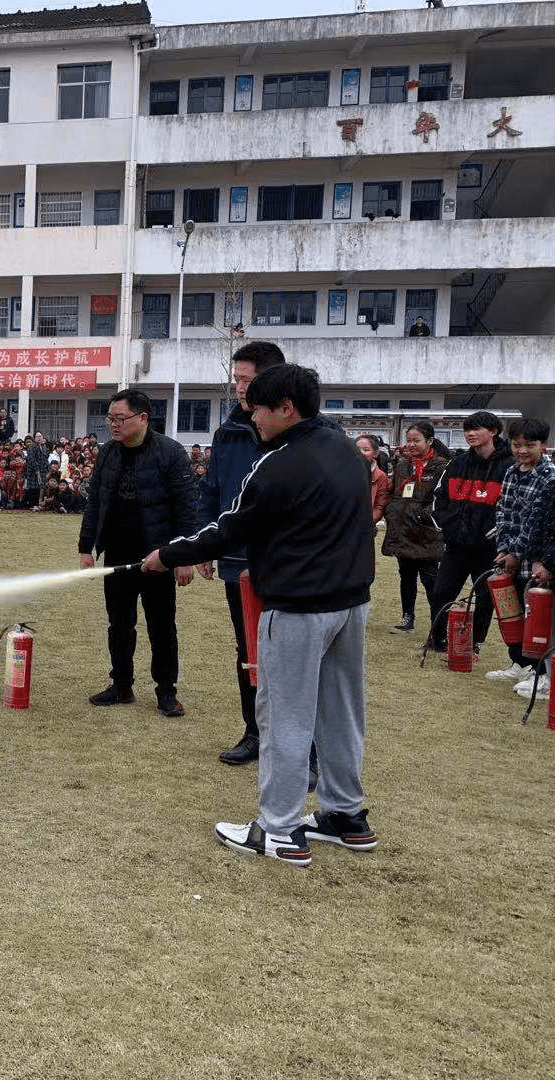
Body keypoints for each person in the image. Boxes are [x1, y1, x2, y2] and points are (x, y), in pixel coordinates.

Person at [144, 364, 377, 867]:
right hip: (351, 605)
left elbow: (230, 528)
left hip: (296, 607)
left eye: (259, 411)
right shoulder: (347, 451)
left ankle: (278, 829)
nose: (253, 420)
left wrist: (168, 554)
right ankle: (345, 816)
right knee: (340, 714)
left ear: (286, 408)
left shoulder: (278, 464)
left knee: (284, 718)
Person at [78, 388, 198, 717]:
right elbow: (95, 504)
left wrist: (182, 556)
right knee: (119, 624)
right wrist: (86, 548)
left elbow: (186, 510)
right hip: (117, 553)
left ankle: (166, 692)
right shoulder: (107, 453)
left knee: (161, 626)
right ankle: (121, 685)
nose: (113, 425)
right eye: (110, 419)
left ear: (143, 418)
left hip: (157, 555)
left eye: (120, 419)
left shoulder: (171, 453)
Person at [194, 340, 284, 766]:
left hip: (288, 563)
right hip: (237, 561)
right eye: (236, 380)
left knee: (291, 653)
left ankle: (304, 748)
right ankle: (254, 732)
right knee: (248, 649)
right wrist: (204, 547)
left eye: (246, 380)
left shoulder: (300, 432)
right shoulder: (227, 432)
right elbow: (212, 490)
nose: (239, 389)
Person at [427, 412, 513, 655]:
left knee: (485, 599)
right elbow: (438, 498)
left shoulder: (508, 466)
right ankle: (438, 640)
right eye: (467, 429)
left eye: (477, 429)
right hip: (456, 546)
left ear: (494, 431)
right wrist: (447, 525)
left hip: (489, 550)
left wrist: (496, 535)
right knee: (441, 592)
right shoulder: (458, 463)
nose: (471, 434)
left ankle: (472, 645)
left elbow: (512, 507)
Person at [487, 418, 555, 684]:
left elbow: (536, 520)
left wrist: (516, 553)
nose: (522, 451)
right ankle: (519, 661)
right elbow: (503, 511)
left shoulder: (550, 476)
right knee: (512, 612)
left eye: (529, 445)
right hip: (511, 556)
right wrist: (505, 547)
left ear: (544, 445)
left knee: (537, 616)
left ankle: (540, 671)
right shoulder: (511, 471)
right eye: (517, 445)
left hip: (536, 559)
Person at [381, 421, 447, 634]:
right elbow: (395, 494)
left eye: (416, 440)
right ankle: (407, 618)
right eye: (409, 440)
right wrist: (392, 511)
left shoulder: (441, 466)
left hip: (426, 532)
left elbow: (442, 498)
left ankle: (437, 624)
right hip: (403, 529)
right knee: (406, 576)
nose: (411, 445)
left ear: (430, 441)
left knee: (430, 579)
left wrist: (422, 515)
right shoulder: (402, 465)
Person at [519, 429, 555, 698]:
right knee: (553, 628)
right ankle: (552, 680)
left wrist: (549, 562)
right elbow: (536, 524)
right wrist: (538, 558)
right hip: (551, 571)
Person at [356, 435, 391, 527]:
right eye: (357, 449)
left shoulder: (380, 477)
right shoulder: (341, 472)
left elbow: (379, 506)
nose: (361, 453)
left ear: (375, 453)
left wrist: (367, 523)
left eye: (366, 450)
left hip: (364, 526)